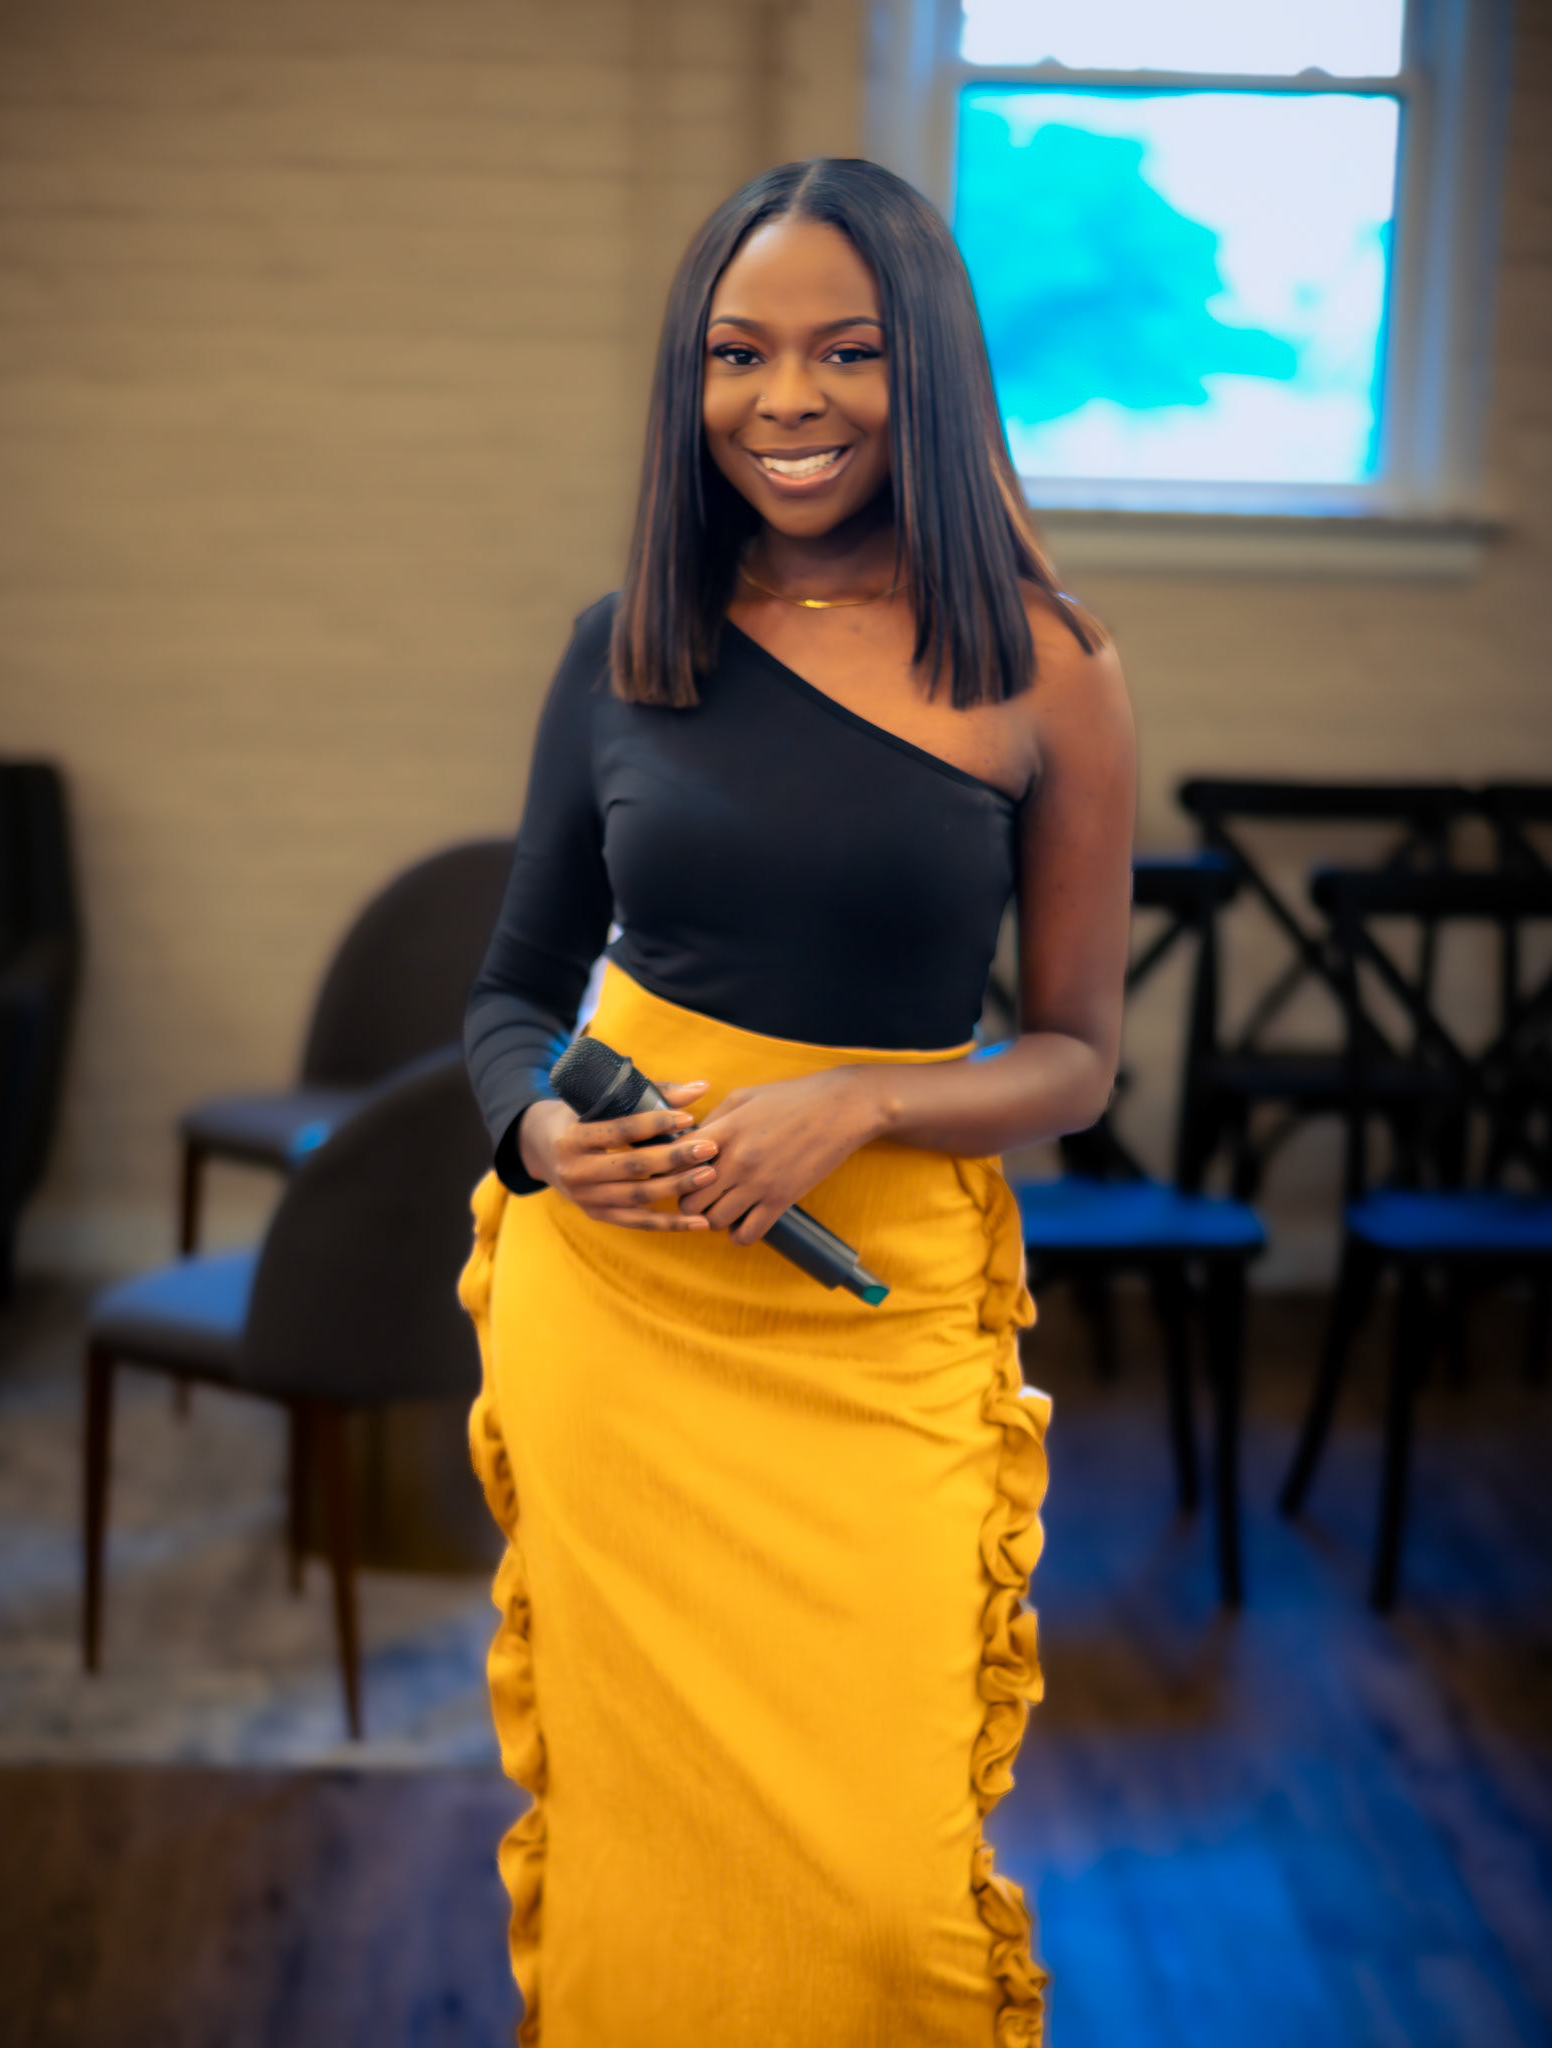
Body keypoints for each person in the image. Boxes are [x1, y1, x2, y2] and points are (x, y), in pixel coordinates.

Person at [458, 157, 1135, 2048]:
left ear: (925, 367)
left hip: (874, 1310)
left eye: (845, 350)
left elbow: (1077, 1057)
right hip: (621, 1311)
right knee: (642, 1851)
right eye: (736, 353)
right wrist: (542, 1134)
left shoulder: (1047, 667)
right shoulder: (623, 644)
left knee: (874, 1892)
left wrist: (863, 1107)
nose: (786, 399)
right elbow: (512, 995)